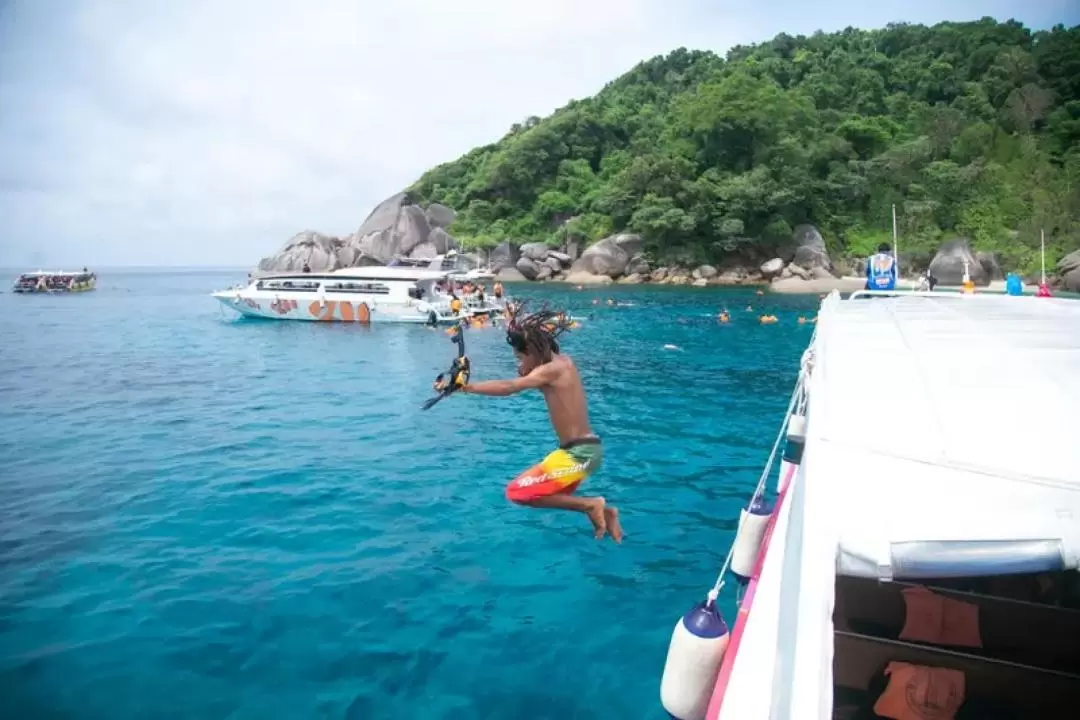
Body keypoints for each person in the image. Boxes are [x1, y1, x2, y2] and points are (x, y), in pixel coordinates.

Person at [462, 306, 623, 542]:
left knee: (517, 492)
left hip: (579, 456)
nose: (519, 362)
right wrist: (529, 367)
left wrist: (467, 387)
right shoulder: (564, 363)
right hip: (580, 451)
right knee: (541, 494)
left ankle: (592, 504)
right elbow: (536, 377)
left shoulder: (550, 371)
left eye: (519, 356)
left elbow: (509, 387)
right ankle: (609, 519)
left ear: (532, 350)